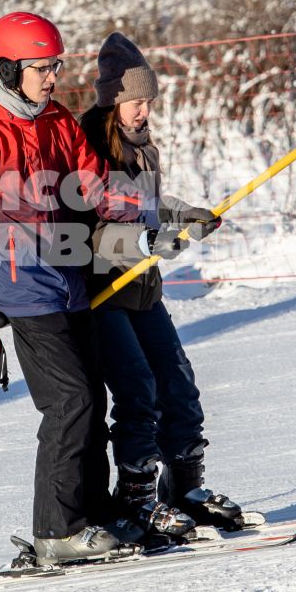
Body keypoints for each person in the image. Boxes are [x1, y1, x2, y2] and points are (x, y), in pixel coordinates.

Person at [0, 11, 148, 567]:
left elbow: (96, 190)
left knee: (93, 399)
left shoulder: (56, 122)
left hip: (69, 281)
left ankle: (95, 515)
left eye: (55, 66)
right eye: (40, 68)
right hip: (21, 288)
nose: (52, 77)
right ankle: (57, 530)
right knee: (69, 401)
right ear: (8, 70)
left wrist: (160, 215)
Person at [78, 32, 240, 541]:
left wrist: (179, 212)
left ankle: (185, 489)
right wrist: (147, 240)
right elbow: (94, 230)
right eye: (135, 102)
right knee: (138, 393)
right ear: (112, 101)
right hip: (104, 293)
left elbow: (142, 202)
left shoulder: (141, 147)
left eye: (148, 101)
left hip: (144, 289)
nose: (144, 110)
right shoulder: (89, 148)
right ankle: (138, 501)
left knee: (179, 383)